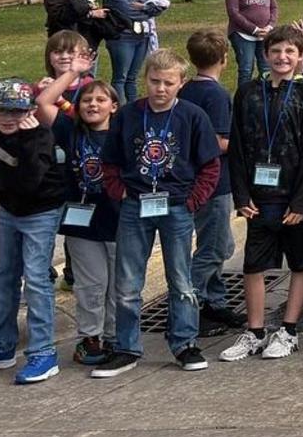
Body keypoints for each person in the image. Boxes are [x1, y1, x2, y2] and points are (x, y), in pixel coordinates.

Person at [91, 50, 222, 376]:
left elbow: (209, 165)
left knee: (180, 279)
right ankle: (126, 347)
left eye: (168, 83)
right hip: (135, 204)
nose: (160, 89)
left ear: (181, 83)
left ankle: (185, 343)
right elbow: (110, 161)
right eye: (154, 81)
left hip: (176, 206)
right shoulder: (127, 116)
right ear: (145, 79)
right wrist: (119, 192)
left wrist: (193, 201)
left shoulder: (192, 116)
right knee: (128, 281)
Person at [219, 28, 303, 361]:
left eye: (290, 52)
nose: (282, 57)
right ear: (265, 54)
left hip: (296, 198)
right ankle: (254, 330)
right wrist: (240, 193)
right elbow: (236, 147)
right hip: (259, 197)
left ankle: (289, 330)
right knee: (253, 266)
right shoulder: (248, 92)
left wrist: (302, 200)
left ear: (300, 57)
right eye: (276, 51)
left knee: (299, 263)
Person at [0, 77, 70, 384]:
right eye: (1, 110)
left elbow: (29, 181)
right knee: (4, 275)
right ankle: (2, 346)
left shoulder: (39, 138)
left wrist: (29, 138)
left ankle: (43, 353)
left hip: (40, 210)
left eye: (17, 111)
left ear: (31, 111)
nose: (8, 118)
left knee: (36, 278)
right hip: (9, 209)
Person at [35, 61, 122, 367]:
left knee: (119, 284)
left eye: (100, 100)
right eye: (86, 100)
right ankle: (91, 336)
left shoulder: (124, 134)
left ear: (114, 106)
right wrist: (72, 74)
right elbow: (43, 101)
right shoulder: (69, 130)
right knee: (91, 283)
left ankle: (116, 336)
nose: (93, 105)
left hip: (119, 222)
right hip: (81, 224)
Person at [179, 31, 240, 331]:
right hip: (213, 181)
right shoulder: (215, 95)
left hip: (194, 179)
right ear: (225, 59)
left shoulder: (187, 89)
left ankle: (215, 299)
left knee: (218, 241)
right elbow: (217, 141)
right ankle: (191, 301)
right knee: (215, 247)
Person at [103, 0, 168, 104]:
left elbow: (158, 6)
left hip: (142, 36)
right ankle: (119, 109)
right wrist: (148, 10)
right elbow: (127, 12)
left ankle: (133, 108)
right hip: (123, 37)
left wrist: (144, 7)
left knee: (133, 78)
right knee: (121, 77)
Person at [226, 0, 278, 82]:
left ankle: (264, 97)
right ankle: (243, 100)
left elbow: (274, 8)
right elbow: (233, 13)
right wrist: (254, 29)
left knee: (266, 69)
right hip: (242, 34)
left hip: (265, 34)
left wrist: (269, 26)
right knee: (246, 69)